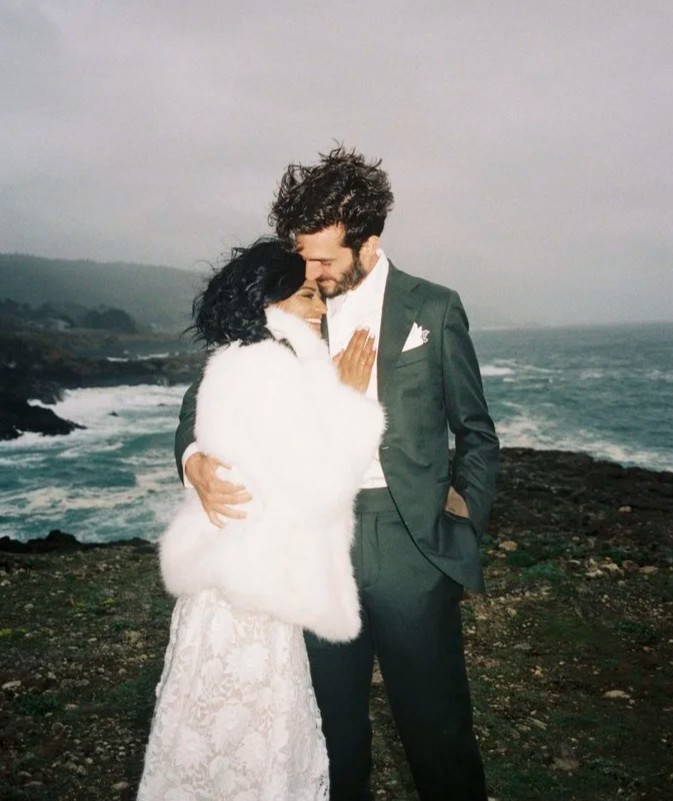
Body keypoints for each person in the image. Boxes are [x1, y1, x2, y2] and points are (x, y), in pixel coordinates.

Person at [175, 148, 500, 801]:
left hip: (409, 544)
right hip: (310, 544)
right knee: (329, 740)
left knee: (438, 736)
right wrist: (195, 461)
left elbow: (477, 430)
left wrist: (461, 524)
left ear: (369, 242)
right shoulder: (290, 299)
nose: (311, 270)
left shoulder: (433, 308)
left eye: (323, 257)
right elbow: (204, 396)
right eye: (303, 253)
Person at [139, 238, 385, 801]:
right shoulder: (272, 370)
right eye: (305, 296)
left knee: (212, 737)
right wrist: (346, 400)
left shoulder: (241, 360)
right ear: (268, 304)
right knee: (253, 740)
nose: (320, 308)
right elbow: (319, 486)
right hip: (253, 594)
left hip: (231, 579)